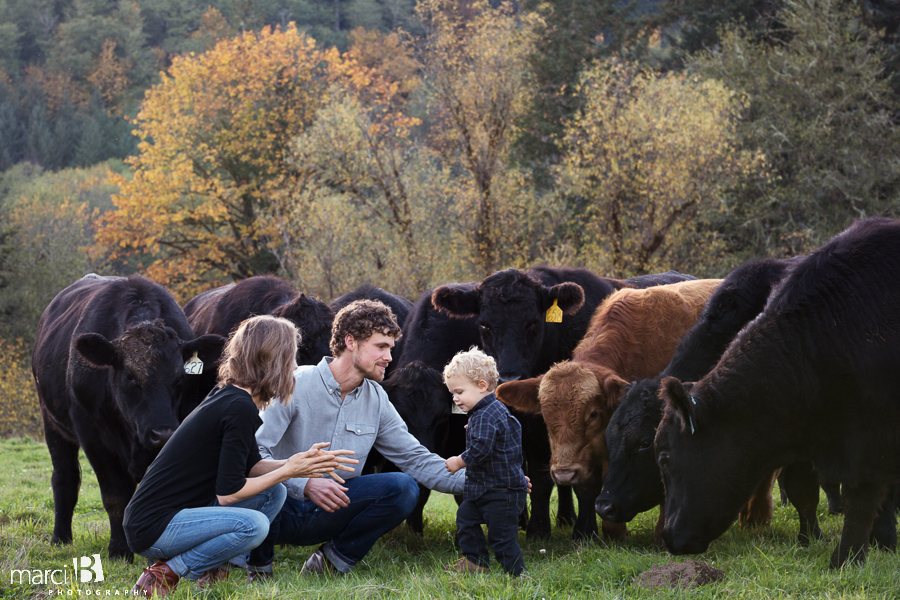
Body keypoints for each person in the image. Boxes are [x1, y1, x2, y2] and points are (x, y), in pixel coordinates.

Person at [123, 315, 357, 597]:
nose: (295, 367)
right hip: (153, 527)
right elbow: (229, 494)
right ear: (274, 360)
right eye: (291, 358)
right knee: (255, 526)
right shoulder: (238, 408)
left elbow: (253, 466)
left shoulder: (231, 397)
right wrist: (288, 470)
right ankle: (165, 573)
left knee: (275, 494)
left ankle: (212, 568)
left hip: (172, 517)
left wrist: (302, 462)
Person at [247, 299, 466, 577]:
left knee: (403, 487)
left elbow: (418, 460)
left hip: (333, 509)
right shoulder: (294, 384)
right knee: (266, 489)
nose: (389, 357)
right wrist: (305, 483)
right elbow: (253, 457)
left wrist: (489, 483)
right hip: (279, 509)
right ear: (351, 342)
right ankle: (258, 568)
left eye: (390, 348)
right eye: (381, 347)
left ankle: (331, 561)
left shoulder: (377, 399)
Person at [444, 348, 527, 576]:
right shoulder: (491, 412)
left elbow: (480, 450)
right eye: (452, 393)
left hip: (500, 492)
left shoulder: (485, 416)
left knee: (501, 538)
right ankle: (476, 562)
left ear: (482, 386)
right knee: (466, 519)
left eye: (459, 391)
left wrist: (459, 461)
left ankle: (517, 574)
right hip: (485, 488)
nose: (455, 398)